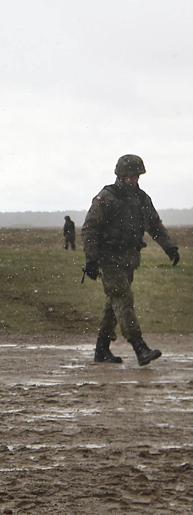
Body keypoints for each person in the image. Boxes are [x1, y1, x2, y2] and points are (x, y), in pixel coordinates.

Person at [81, 153, 178, 365]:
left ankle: (101, 349)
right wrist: (91, 260)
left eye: (136, 175)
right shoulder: (106, 197)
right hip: (109, 260)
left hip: (129, 260)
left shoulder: (142, 199)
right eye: (130, 175)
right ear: (120, 175)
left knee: (114, 304)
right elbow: (90, 229)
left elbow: (155, 225)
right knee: (123, 300)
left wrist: (170, 247)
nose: (134, 180)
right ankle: (139, 346)